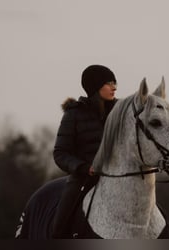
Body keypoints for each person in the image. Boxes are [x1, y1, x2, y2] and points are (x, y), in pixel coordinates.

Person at [52, 64, 118, 238]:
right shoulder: (73, 114)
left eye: (115, 83)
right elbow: (60, 153)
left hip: (119, 176)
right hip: (83, 179)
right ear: (95, 86)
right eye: (109, 83)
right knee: (59, 226)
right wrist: (84, 167)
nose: (114, 87)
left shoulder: (121, 112)